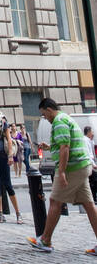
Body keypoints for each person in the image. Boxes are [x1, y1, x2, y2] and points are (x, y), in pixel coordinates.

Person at [29, 99, 97, 254]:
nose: (45, 117)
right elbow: (65, 144)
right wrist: (50, 146)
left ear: (48, 109)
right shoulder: (66, 118)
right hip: (81, 166)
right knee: (88, 205)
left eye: (44, 114)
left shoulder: (59, 121)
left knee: (55, 201)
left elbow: (65, 147)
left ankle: (45, 240)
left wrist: (61, 172)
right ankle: (45, 239)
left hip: (73, 168)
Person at [84, 126, 97, 204]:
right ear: (88, 132)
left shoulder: (90, 140)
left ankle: (93, 197)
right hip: (88, 164)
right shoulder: (85, 141)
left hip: (90, 164)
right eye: (92, 132)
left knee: (92, 181)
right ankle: (93, 197)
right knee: (94, 180)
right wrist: (93, 165)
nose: (93, 134)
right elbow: (88, 154)